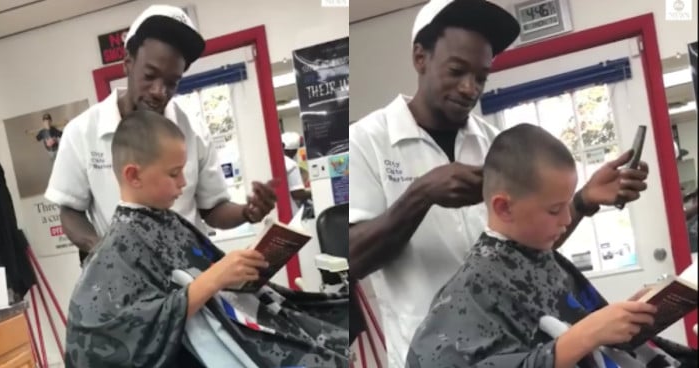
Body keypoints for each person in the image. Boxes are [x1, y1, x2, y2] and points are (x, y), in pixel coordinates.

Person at [348, 0, 650, 365]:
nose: (468, 88)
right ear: (420, 58)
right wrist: (422, 193)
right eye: (457, 70)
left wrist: (583, 201)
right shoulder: (366, 142)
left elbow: (523, 247)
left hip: (513, 348)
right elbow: (350, 261)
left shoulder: (494, 143)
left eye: (481, 77)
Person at [66, 110, 349, 368]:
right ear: (133, 175)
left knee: (335, 323)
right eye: (174, 174)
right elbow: (120, 336)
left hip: (221, 335)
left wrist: (240, 269)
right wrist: (215, 277)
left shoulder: (169, 221)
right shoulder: (117, 248)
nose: (183, 184)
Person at [406, 124, 697, 367]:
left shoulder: (538, 257)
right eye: (554, 210)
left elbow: (566, 324)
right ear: (504, 208)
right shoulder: (473, 288)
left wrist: (623, 318)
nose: (568, 217)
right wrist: (584, 334)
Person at [45, 5, 277, 266]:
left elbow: (212, 209)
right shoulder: (82, 131)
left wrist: (248, 212)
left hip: (189, 281)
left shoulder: (194, 130)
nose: (159, 91)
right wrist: (104, 253)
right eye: (149, 75)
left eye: (172, 82)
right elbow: (69, 210)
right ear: (128, 63)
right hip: (122, 281)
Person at [281, 131, 311, 215]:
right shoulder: (291, 164)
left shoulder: (275, 162)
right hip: (291, 212)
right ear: (294, 151)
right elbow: (297, 194)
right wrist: (314, 192)